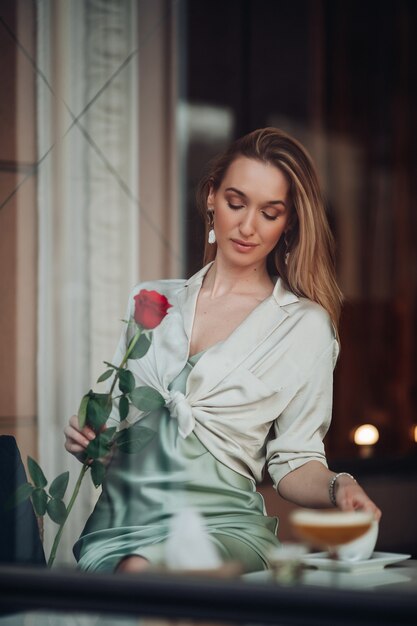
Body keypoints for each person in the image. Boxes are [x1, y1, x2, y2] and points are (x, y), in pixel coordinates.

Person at [65, 127, 381, 574]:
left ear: (288, 221)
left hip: (221, 527)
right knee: (130, 572)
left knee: (144, 572)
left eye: (270, 213)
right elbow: (120, 430)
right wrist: (92, 444)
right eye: (236, 203)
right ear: (211, 197)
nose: (248, 226)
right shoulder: (153, 302)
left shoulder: (303, 326)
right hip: (119, 524)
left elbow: (294, 462)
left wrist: (339, 486)